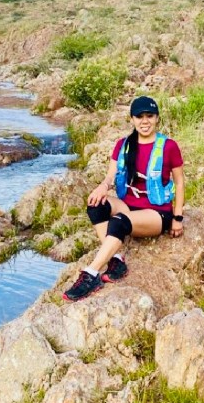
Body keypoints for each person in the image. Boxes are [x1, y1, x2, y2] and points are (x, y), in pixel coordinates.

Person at [63, 94, 185, 301]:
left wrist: (178, 218)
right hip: (128, 205)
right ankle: (116, 260)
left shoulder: (169, 146)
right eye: (139, 116)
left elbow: (180, 182)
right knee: (96, 205)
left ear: (157, 118)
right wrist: (102, 187)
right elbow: (111, 175)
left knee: (119, 223)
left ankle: (91, 274)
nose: (144, 121)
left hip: (156, 213)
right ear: (132, 120)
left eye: (149, 116)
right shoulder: (123, 145)